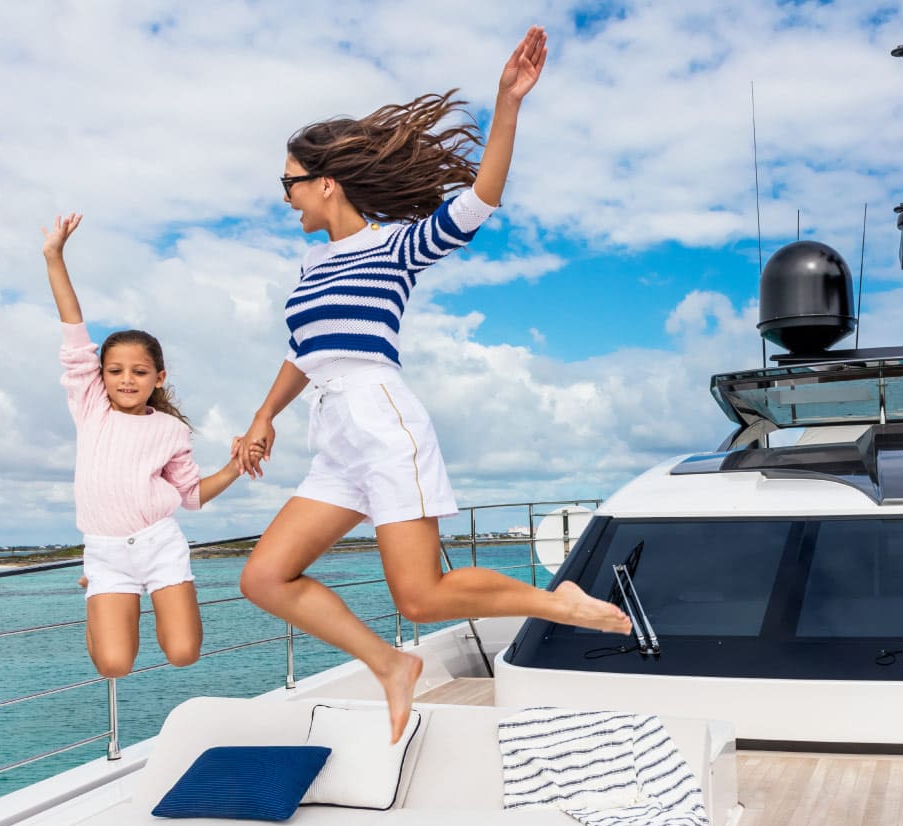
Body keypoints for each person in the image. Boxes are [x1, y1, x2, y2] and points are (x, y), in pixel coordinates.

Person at [234, 27, 629, 743]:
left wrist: (507, 105)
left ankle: (556, 602)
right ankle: (390, 666)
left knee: (420, 596)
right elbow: (303, 351)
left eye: (290, 182)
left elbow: (480, 201)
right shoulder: (309, 270)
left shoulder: (392, 246)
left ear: (327, 183)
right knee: (264, 577)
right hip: (335, 435)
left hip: (381, 420)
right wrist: (264, 417)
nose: (286, 198)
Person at [42, 214, 245, 679]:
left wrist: (235, 466)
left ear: (159, 377)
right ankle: (94, 599)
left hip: (159, 544)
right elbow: (74, 333)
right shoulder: (91, 407)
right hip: (105, 552)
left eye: (138, 371)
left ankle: (122, 600)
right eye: (115, 371)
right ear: (101, 377)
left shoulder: (171, 431)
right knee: (114, 665)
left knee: (183, 653)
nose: (126, 379)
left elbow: (191, 496)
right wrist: (55, 257)